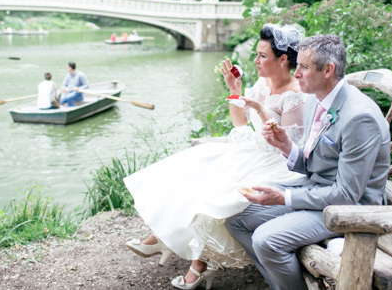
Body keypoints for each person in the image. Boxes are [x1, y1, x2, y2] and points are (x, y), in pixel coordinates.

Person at [124, 24, 309, 289]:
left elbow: (287, 145)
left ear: (282, 60)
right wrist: (235, 90)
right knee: (194, 165)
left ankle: (195, 263)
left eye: (262, 56)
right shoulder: (262, 83)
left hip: (277, 163)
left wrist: (260, 109)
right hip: (253, 151)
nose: (255, 61)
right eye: (256, 54)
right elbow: (240, 123)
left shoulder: (295, 96)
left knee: (218, 191)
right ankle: (165, 238)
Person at [225, 35, 391, 290]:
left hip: (354, 207)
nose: (296, 72)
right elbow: (315, 163)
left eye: (303, 67)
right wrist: (287, 147)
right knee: (235, 217)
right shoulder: (315, 97)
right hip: (319, 189)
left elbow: (347, 195)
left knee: (266, 239)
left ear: (328, 70)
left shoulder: (360, 117)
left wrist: (284, 198)